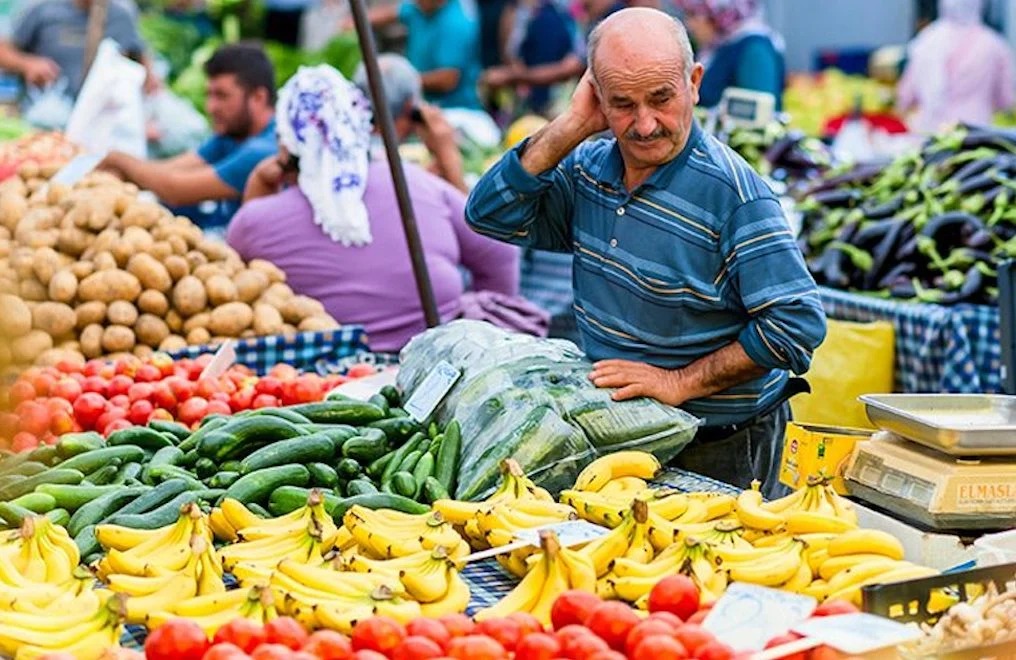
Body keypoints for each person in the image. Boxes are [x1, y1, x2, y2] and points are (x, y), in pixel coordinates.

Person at [465, 7, 825, 497]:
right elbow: (489, 213)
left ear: (694, 82)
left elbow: (796, 325)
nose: (645, 124)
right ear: (596, 96)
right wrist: (572, 125)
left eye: (661, 98)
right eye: (622, 104)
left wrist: (679, 382)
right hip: (620, 441)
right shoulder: (588, 170)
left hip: (721, 449)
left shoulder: (735, 196)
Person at [227, 65, 530, 353]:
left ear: (287, 142)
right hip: (435, 363)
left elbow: (242, 285)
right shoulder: (412, 181)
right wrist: (484, 334)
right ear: (358, 127)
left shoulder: (254, 221)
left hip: (323, 382)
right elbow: (500, 249)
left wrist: (259, 181)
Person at [98, 43, 278, 232]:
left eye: (222, 96)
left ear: (258, 97)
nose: (211, 107)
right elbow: (169, 171)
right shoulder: (231, 135)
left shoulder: (265, 150)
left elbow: (176, 190)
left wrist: (117, 159)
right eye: (209, 95)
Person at [353, 54, 468, 193]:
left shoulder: (348, 154)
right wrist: (448, 156)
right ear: (410, 106)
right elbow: (467, 212)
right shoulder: (401, 172)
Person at [897, 0, 1015, 133]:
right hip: (973, 135)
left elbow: (905, 97)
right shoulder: (995, 46)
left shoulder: (925, 41)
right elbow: (1006, 101)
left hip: (929, 134)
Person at [0, 0, 158, 95]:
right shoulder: (41, 7)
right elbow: (3, 50)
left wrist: (149, 76)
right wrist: (27, 63)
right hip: (50, 101)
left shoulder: (122, 11)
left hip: (104, 108)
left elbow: (137, 49)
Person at [354, 0, 483, 110]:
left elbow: (447, 80)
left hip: (453, 110)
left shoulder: (456, 23)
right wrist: (351, 23)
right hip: (419, 103)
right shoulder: (420, 9)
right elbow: (388, 14)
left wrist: (397, 80)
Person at [676, 0, 784, 110]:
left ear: (718, 13)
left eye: (693, 15)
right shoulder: (715, 47)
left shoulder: (754, 49)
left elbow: (758, 115)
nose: (689, 25)